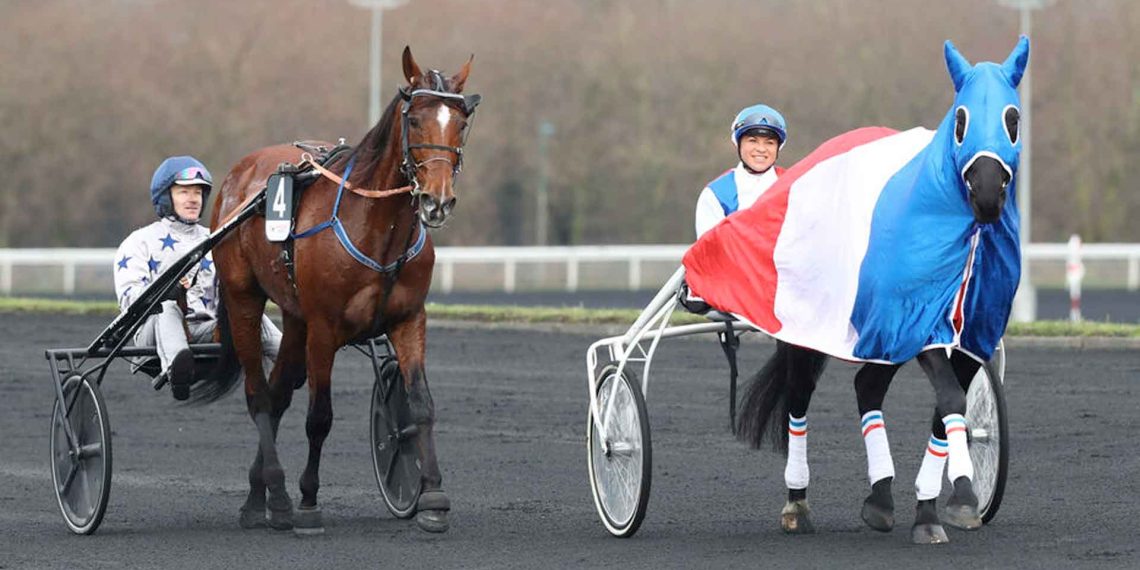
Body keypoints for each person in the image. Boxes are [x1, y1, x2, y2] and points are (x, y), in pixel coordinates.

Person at [113, 156, 281, 400]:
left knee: (247, 310)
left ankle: (292, 361)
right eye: (183, 192)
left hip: (205, 330)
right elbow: (129, 302)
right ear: (165, 196)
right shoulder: (138, 242)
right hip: (154, 333)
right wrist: (166, 292)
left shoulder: (217, 239)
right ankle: (177, 368)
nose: (192, 199)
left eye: (197, 192)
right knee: (168, 308)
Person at [694, 104, 788, 238]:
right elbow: (708, 251)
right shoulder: (716, 194)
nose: (761, 149)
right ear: (738, 144)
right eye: (752, 141)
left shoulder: (794, 186)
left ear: (779, 147)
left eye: (769, 142)